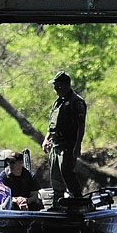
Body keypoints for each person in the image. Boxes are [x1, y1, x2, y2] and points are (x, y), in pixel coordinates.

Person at [42, 71, 87, 208]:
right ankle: (57, 204)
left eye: (56, 85)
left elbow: (81, 125)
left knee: (67, 172)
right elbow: (52, 125)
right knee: (55, 175)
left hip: (68, 145)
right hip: (55, 145)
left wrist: (78, 145)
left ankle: (78, 201)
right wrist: (46, 139)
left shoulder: (76, 102)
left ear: (63, 85)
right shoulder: (58, 102)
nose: (55, 88)